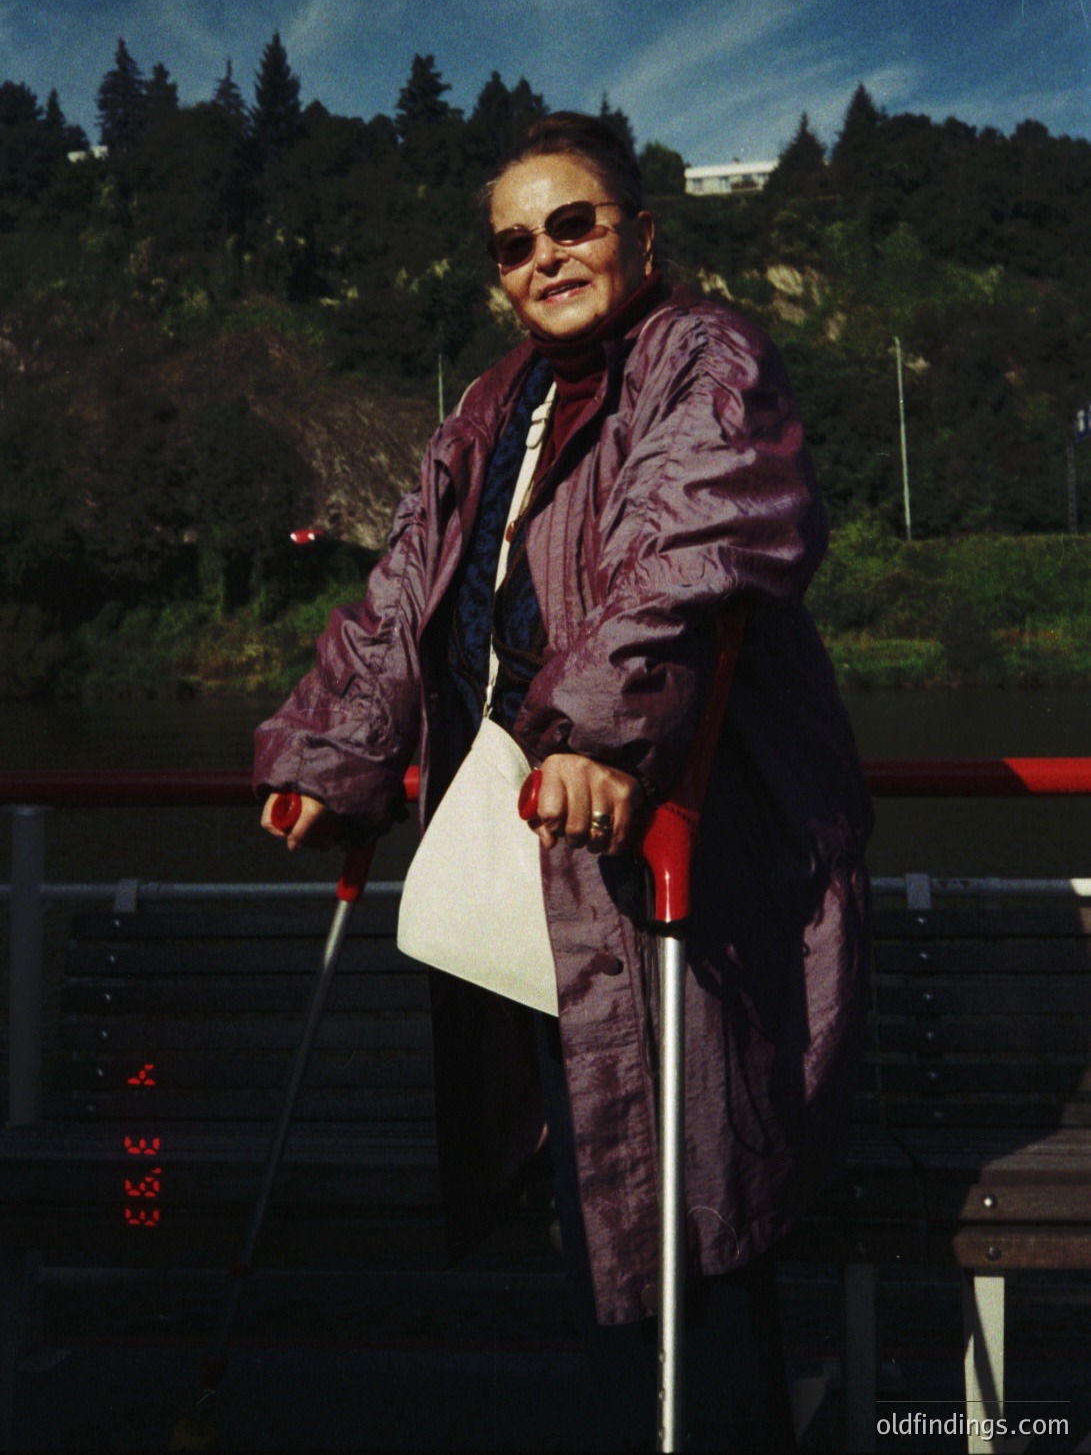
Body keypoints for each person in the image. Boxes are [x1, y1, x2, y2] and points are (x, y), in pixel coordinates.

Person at [254, 112, 872, 1450]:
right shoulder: (492, 407)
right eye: (515, 241)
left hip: (682, 853)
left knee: (688, 1197)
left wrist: (596, 730)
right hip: (542, 858)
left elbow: (694, 542)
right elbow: (408, 591)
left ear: (643, 231)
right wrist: (332, 751)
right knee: (608, 1190)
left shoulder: (704, 359)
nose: (547, 255)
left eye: (575, 221)